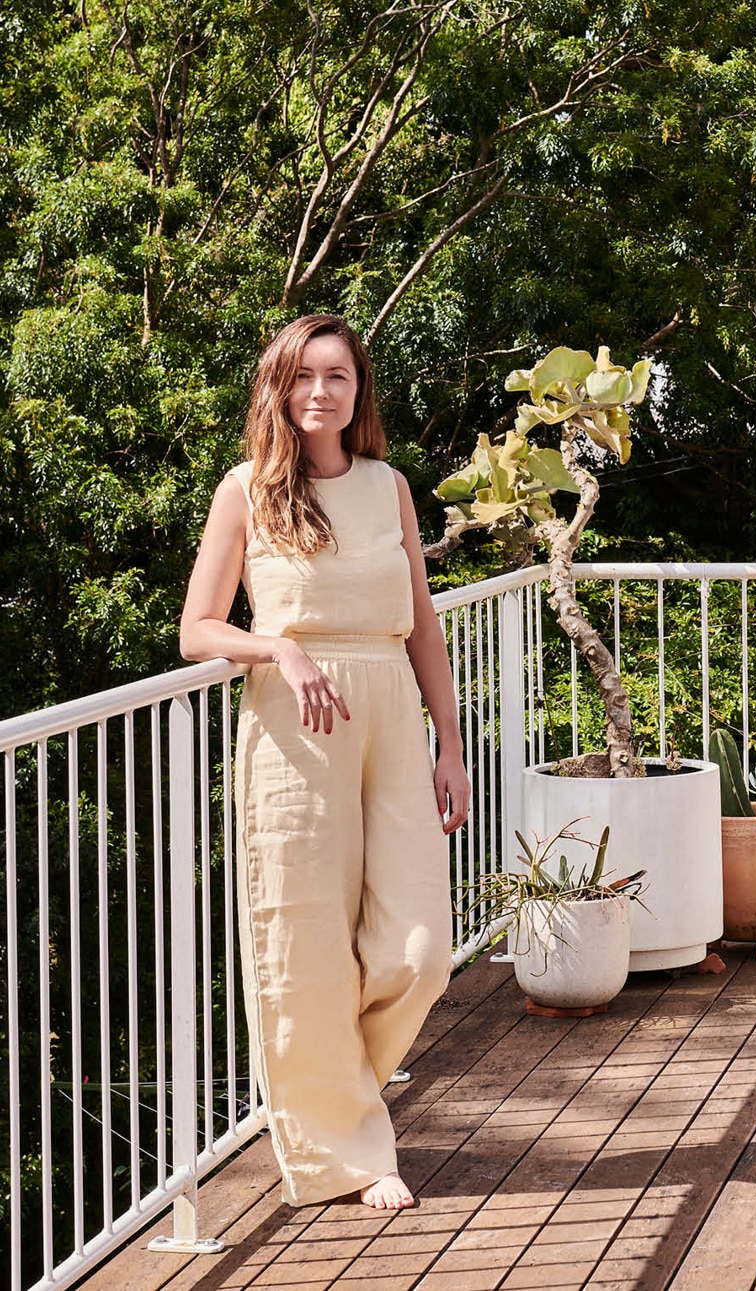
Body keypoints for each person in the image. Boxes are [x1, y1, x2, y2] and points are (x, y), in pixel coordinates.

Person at [180, 313, 469, 1212]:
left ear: (358, 391)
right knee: (302, 946)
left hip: (389, 711)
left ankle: (336, 1086)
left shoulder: (389, 487)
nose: (319, 392)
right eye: (303, 376)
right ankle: (347, 1150)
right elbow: (196, 630)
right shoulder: (247, 491)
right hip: (294, 729)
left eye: (336, 376)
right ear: (279, 387)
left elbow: (421, 621)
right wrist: (278, 649)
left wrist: (449, 745)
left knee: (422, 952)